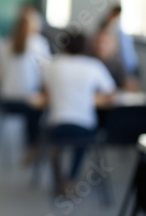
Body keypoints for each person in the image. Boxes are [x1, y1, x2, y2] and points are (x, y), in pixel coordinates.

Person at [41, 33, 115, 195]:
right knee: (82, 140)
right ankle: (71, 179)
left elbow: (45, 94)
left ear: (64, 46)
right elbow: (111, 93)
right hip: (85, 128)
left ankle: (59, 178)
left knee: (54, 141)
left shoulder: (51, 65)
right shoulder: (94, 66)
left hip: (56, 126)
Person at [0, 5, 51, 163]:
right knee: (38, 110)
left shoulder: (2, 44)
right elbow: (46, 71)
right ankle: (33, 147)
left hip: (6, 101)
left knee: (32, 108)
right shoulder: (38, 43)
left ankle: (32, 148)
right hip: (28, 102)